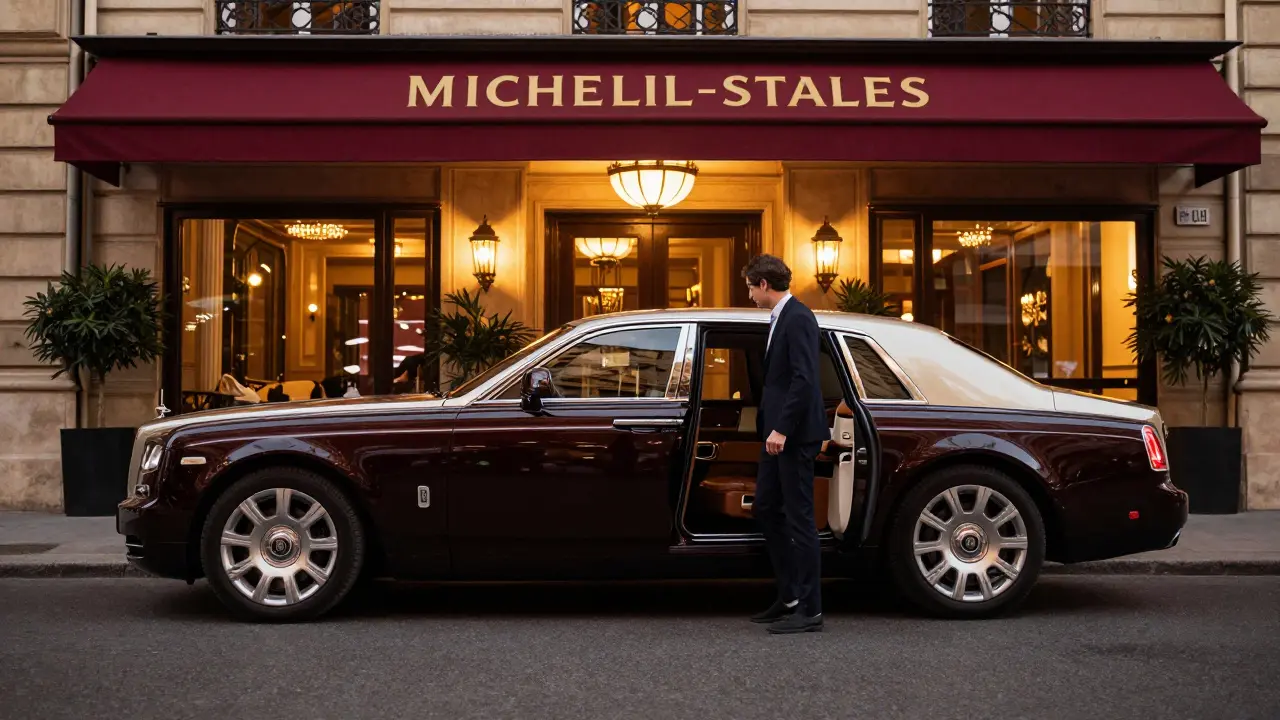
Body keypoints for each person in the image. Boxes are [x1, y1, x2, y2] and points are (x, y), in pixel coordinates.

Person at [742, 254, 829, 634]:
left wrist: (782, 429)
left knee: (800, 520)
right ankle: (790, 595)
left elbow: (804, 379)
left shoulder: (798, 317)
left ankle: (810, 610)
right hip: (776, 435)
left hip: (792, 436)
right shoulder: (781, 318)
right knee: (765, 507)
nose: (749, 295)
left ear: (764, 284)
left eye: (750, 287)